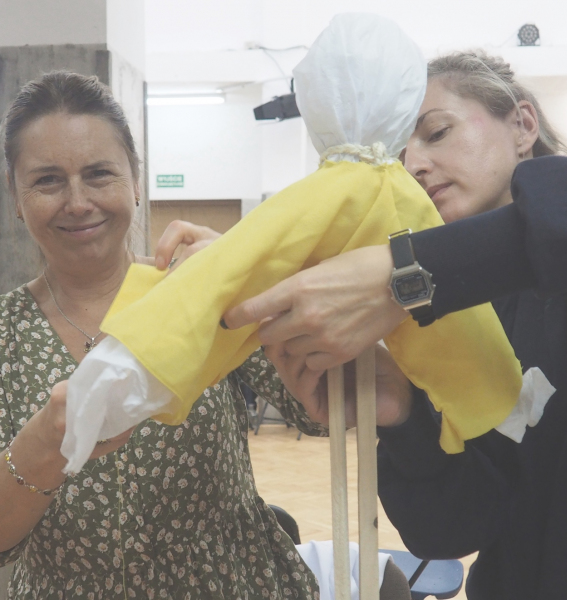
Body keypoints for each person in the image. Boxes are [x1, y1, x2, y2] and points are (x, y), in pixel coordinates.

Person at [224, 51, 567, 599]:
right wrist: (404, 419)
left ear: (523, 124)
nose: (416, 165)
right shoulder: (446, 318)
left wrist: (409, 272)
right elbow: (454, 530)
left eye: (437, 132)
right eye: (399, 157)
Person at [0, 71, 324, 599]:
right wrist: (43, 446)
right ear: (16, 196)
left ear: (135, 181)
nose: (77, 202)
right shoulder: (6, 336)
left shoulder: (197, 292)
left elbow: (321, 409)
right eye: (48, 181)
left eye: (99, 174)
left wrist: (256, 281)